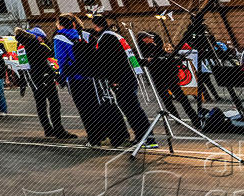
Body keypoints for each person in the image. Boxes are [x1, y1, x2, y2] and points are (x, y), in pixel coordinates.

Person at [88, 14, 153, 147]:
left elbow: (110, 61)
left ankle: (146, 138)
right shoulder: (116, 35)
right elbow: (128, 55)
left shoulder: (105, 38)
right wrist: (140, 64)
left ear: (95, 26)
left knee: (131, 109)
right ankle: (146, 137)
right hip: (129, 75)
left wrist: (114, 79)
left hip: (121, 78)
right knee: (133, 108)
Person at [53, 15, 115, 146]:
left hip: (75, 77)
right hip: (91, 75)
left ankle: (93, 138)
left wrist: (62, 77)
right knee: (95, 106)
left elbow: (61, 59)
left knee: (84, 109)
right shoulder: (84, 35)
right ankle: (104, 133)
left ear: (60, 25)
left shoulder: (59, 38)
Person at [18, 27, 74, 138]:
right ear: (35, 37)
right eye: (41, 38)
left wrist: (23, 83)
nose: (43, 40)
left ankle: (49, 129)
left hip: (38, 79)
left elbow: (24, 68)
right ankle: (57, 130)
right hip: (40, 79)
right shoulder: (34, 46)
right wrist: (58, 77)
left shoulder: (22, 46)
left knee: (43, 104)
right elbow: (45, 63)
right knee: (52, 103)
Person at [138, 31, 197, 122]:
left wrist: (175, 58)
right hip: (158, 77)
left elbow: (166, 57)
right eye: (149, 38)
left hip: (169, 75)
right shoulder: (140, 50)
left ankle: (193, 117)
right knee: (166, 99)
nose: (152, 39)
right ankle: (176, 118)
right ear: (144, 39)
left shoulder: (156, 47)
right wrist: (148, 60)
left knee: (182, 98)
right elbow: (141, 61)